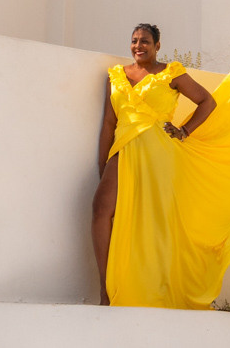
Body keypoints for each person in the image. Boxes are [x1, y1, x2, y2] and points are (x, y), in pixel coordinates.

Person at [91, 22, 215, 304]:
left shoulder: (172, 73)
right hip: (123, 148)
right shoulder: (116, 76)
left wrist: (184, 131)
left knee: (156, 222)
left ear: (157, 45)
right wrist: (102, 165)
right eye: (134, 40)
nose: (138, 46)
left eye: (145, 41)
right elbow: (109, 123)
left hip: (159, 152)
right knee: (101, 210)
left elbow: (207, 101)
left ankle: (156, 290)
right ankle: (106, 288)